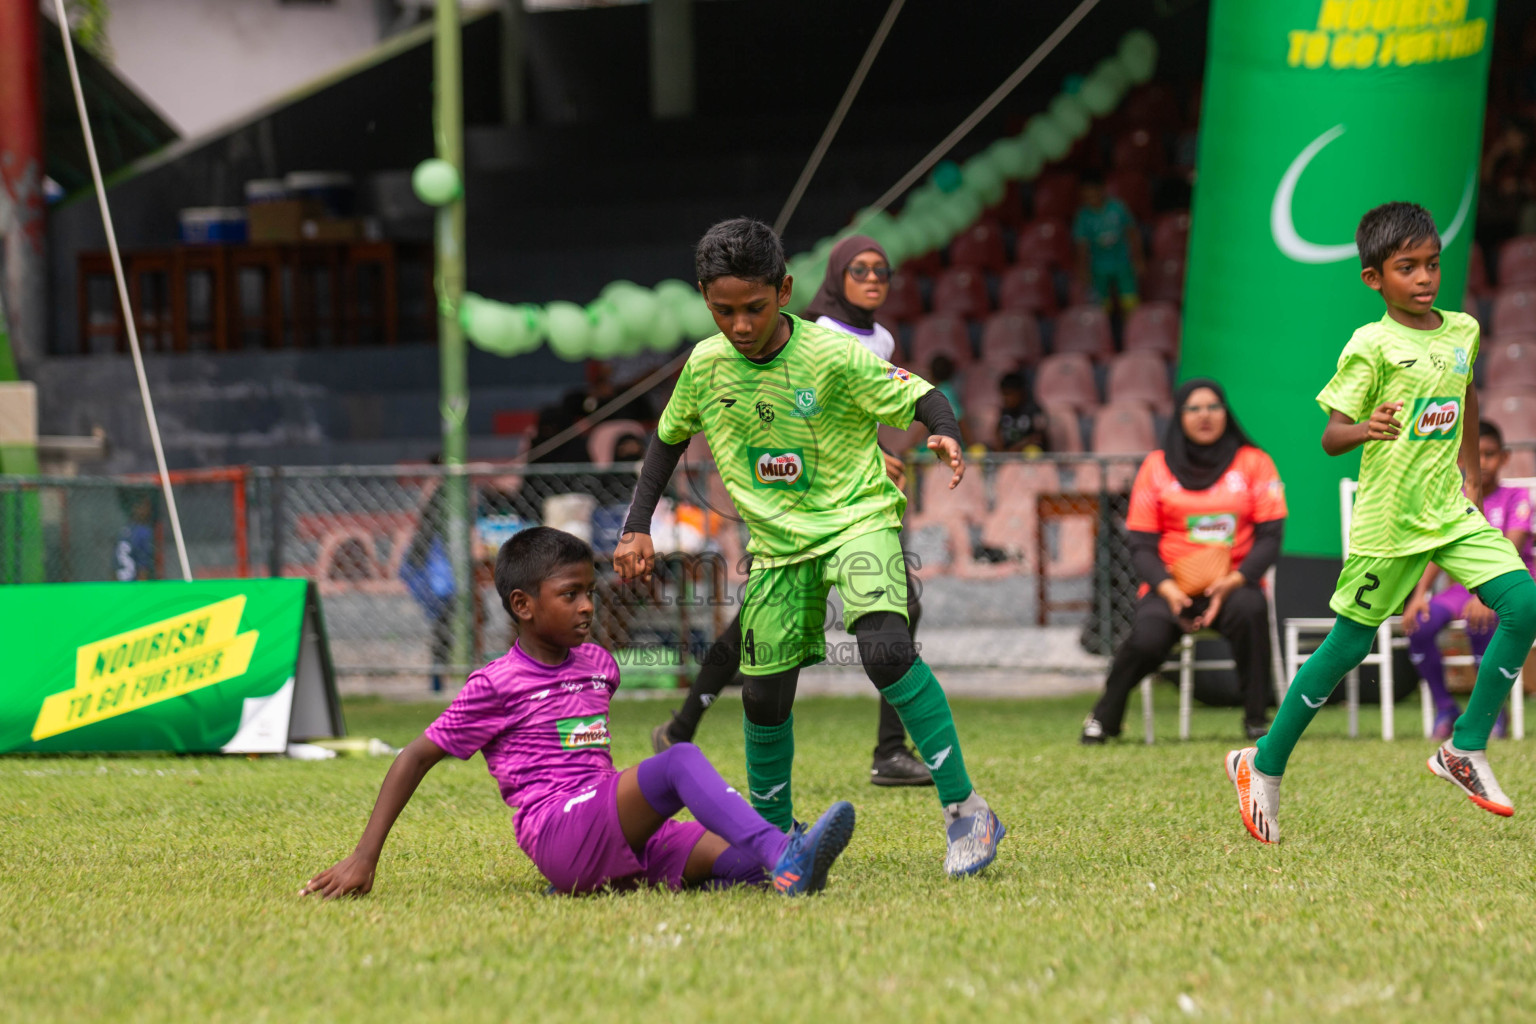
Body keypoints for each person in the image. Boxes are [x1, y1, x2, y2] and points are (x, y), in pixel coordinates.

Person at [615, 218, 1004, 878]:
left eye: (755, 309)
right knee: (763, 695)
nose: (740, 325)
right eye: (723, 310)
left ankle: (966, 809)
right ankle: (778, 836)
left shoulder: (832, 355)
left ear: (786, 290)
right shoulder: (706, 367)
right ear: (704, 299)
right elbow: (667, 438)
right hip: (775, 548)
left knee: (884, 648)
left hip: (857, 521)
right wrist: (636, 524)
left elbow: (921, 394)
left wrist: (943, 432)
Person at [303, 527, 856, 899]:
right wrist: (362, 858)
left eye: (591, 592)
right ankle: (785, 849)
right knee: (679, 760)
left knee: (742, 864)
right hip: (560, 834)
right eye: (570, 595)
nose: (588, 605)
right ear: (523, 605)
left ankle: (778, 864)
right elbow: (415, 758)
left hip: (611, 826)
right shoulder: (495, 684)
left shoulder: (598, 665)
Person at [1226, 202, 1536, 845]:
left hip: (1450, 511)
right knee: (1348, 647)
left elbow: (1467, 391)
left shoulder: (1463, 331)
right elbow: (1331, 436)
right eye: (1407, 268)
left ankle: (1465, 748)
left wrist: (1472, 471)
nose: (1424, 278)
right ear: (1375, 279)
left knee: (1525, 604)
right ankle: (1264, 761)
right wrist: (1366, 427)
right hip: (1388, 527)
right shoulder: (1371, 344)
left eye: (1432, 264)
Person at [650, 234, 933, 788]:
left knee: (900, 615)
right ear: (833, 277)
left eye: (883, 269)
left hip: (853, 505)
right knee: (752, 629)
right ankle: (685, 726)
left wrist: (882, 453)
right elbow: (798, 410)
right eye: (860, 270)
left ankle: (888, 750)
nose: (874, 278)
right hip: (796, 507)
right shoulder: (819, 335)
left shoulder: (880, 337)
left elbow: (859, 407)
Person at [1081, 379, 1286, 744]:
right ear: (1179, 415)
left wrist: (1235, 580)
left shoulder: (1255, 463)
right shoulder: (1156, 467)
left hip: (1233, 584)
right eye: (1193, 408)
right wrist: (1169, 590)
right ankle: (1104, 716)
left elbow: (1271, 536)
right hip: (1169, 585)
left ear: (1226, 412)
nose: (1204, 416)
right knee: (1146, 639)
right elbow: (1141, 544)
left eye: (1213, 407)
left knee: (1250, 611)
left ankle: (1257, 718)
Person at [1404, 420, 1534, 739]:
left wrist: (1486, 595)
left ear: (1503, 458)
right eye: (1477, 455)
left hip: (1506, 584)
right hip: (1462, 589)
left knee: (1484, 617)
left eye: (1490, 454)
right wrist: (1419, 593)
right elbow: (1440, 550)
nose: (1484, 462)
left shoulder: (1517, 497)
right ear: (1460, 460)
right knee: (1419, 623)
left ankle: (1490, 712)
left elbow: (1510, 549)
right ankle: (1445, 707)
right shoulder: (1454, 500)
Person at [1072, 171, 1144, 313]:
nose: (1092, 199)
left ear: (1102, 189)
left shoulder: (1118, 208)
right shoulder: (1083, 217)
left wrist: (1138, 258)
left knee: (1130, 302)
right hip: (1098, 266)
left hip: (1123, 262)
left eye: (1094, 194)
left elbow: (1132, 233)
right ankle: (1105, 333)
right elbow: (1082, 246)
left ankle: (1132, 332)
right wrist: (1082, 269)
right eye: (1087, 197)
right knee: (1101, 306)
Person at [995, 372, 1048, 453]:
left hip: (1026, 456)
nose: (1006, 399)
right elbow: (997, 432)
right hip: (1008, 455)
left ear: (1021, 392)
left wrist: (1014, 449)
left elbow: (1038, 437)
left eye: (1009, 394)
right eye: (1004, 394)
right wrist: (1001, 451)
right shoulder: (1005, 411)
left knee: (1033, 451)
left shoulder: (1033, 410)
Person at [114, 492, 156, 581]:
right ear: (136, 508)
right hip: (134, 585)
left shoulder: (124, 530)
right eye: (145, 506)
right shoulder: (144, 532)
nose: (148, 510)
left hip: (119, 584)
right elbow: (143, 566)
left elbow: (114, 565)